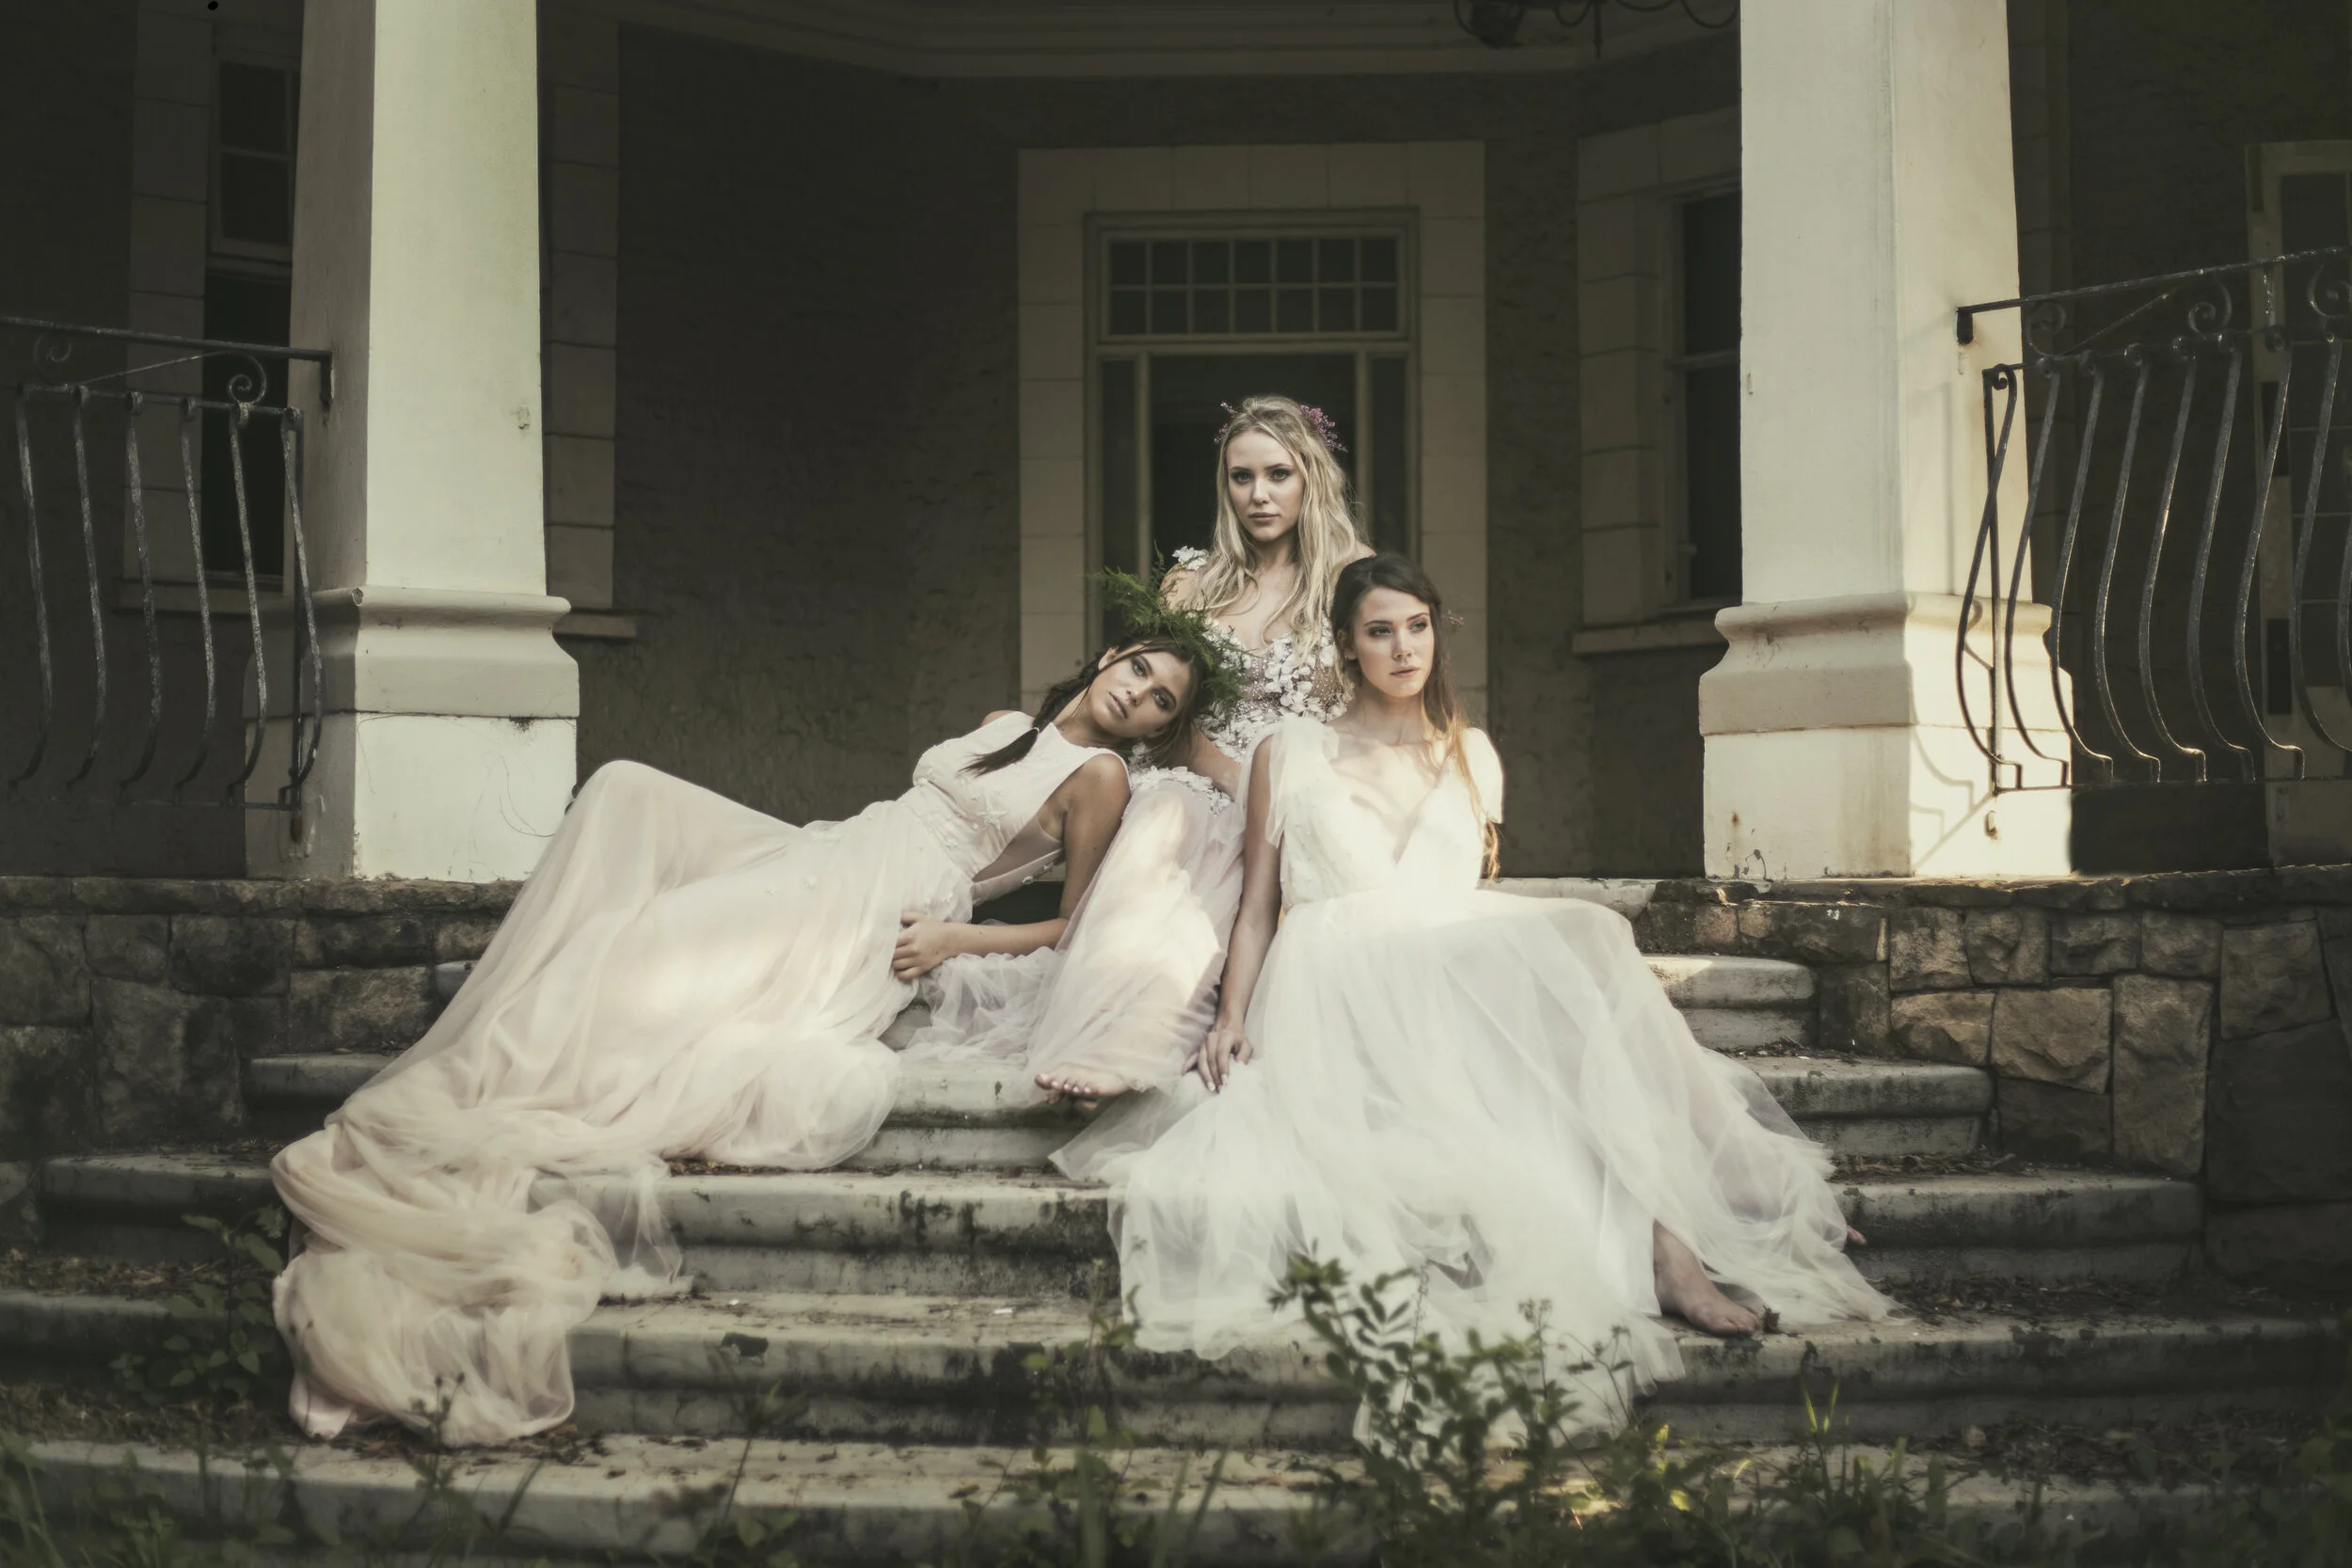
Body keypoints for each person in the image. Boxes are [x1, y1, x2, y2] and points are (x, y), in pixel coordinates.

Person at [270, 637, 1219, 1447]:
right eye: (1136, 667)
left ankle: (532, 1079)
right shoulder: (1003, 720)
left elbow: (1071, 926)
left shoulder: (1099, 779)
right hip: (833, 850)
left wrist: (953, 938)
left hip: (886, 910)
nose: (1136, 689)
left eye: (1159, 698)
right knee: (628, 791)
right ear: (1106, 657)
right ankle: (511, 1060)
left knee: (657, 947)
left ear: (1154, 729)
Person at [1106, 554, 1891, 1423]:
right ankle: (1716, 1202)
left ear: (1438, 631)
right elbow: (1257, 907)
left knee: (1584, 958)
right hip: (1341, 982)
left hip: (1448, 968)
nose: (1404, 647)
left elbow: (1468, 893)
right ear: (1344, 646)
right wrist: (1232, 1016)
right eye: (1379, 631)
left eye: (1418, 625)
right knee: (1586, 946)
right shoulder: (1287, 751)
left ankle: (1678, 1238)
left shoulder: (1471, 753)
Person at [912, 394, 1372, 1129]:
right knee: (1166, 817)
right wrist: (1229, 779)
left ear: (1312, 477)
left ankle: (1138, 1038)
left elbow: (1373, 705)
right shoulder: (1191, 582)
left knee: (1236, 866)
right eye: (1240, 477)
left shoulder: (1352, 581)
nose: (1258, 495)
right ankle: (1106, 1036)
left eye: (1278, 475)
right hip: (1196, 779)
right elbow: (1164, 708)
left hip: (1296, 793)